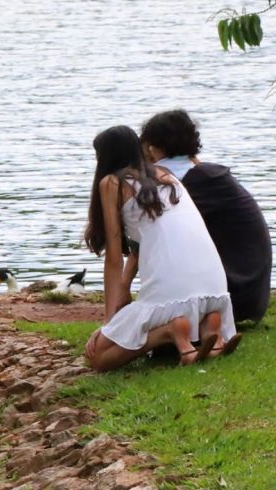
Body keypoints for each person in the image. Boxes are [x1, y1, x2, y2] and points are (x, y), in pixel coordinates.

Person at [83, 125, 239, 372]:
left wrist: (108, 323)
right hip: (216, 290)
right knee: (175, 311)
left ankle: (168, 332)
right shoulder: (166, 174)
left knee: (99, 359)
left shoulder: (112, 183)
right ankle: (211, 326)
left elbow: (114, 259)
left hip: (172, 293)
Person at [140, 109, 271, 323]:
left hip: (234, 295)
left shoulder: (192, 182)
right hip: (247, 292)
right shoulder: (203, 175)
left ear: (152, 148)